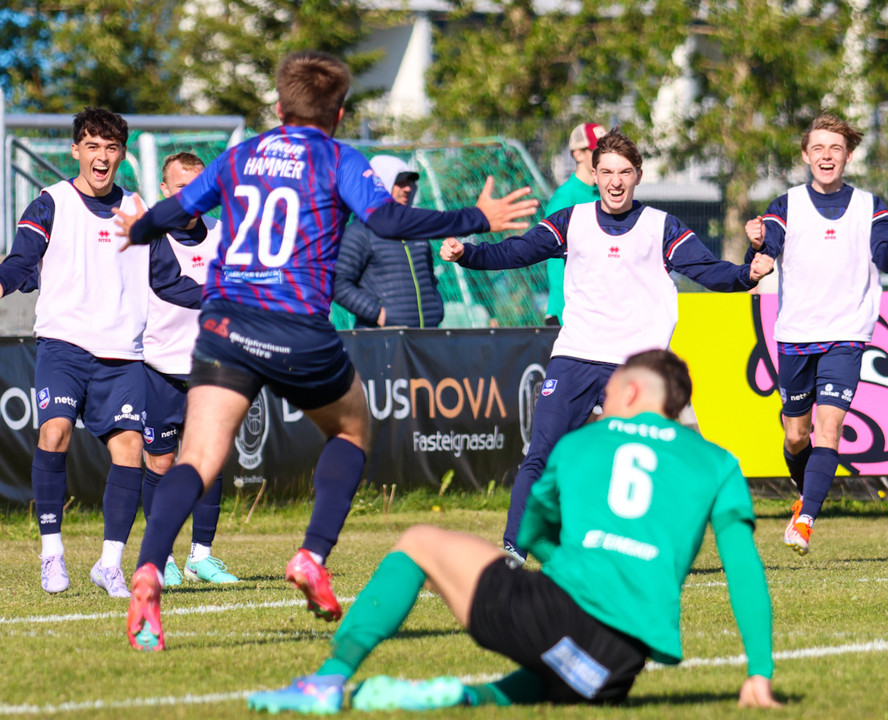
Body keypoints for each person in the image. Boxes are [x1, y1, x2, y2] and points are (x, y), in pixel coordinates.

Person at [114, 49, 538, 651]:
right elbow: (387, 221)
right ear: (338, 114)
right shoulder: (338, 158)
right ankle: (312, 555)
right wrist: (474, 217)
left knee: (199, 456)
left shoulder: (239, 156)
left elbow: (175, 210)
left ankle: (150, 569)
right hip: (296, 327)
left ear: (279, 107)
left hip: (227, 321)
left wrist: (135, 228)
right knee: (351, 431)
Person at [246, 349, 780, 714]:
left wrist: (563, 561)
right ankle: (464, 699)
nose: (604, 398)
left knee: (419, 542)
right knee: (554, 668)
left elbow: (531, 529)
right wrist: (758, 671)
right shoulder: (718, 462)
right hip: (616, 667)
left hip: (557, 620)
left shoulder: (581, 443)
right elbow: (743, 568)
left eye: (612, 388)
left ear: (635, 390)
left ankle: (328, 680)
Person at [442, 128, 774, 562]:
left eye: (624, 172)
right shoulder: (571, 220)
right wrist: (468, 254)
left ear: (638, 176)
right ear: (594, 175)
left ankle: (643, 549)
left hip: (637, 368)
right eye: (607, 172)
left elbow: (710, 272)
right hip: (576, 357)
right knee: (541, 454)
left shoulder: (662, 227)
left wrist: (748, 274)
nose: (615, 181)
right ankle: (514, 550)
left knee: (647, 463)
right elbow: (517, 252)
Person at [0, 108, 199, 597]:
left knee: (130, 451)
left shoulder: (138, 210)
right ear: (76, 151)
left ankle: (109, 565)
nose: (101, 157)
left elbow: (168, 280)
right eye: (92, 146)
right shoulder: (51, 202)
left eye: (111, 148)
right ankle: (52, 554)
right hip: (64, 345)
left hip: (123, 354)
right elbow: (20, 263)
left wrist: (226, 297)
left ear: (122, 155)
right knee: (55, 431)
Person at [744, 112, 888, 555]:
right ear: (805, 155)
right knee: (797, 435)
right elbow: (770, 244)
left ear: (848, 156)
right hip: (796, 334)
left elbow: (886, 259)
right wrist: (759, 247)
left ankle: (805, 520)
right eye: (818, 148)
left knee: (829, 427)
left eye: (835, 148)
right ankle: (806, 494)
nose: (826, 156)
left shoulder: (872, 206)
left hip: (847, 334)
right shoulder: (785, 204)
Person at [142, 152, 238, 586]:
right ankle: (160, 556)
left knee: (209, 461)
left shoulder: (223, 232)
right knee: (161, 463)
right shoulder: (151, 236)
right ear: (165, 190)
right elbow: (170, 286)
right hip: (159, 367)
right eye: (181, 187)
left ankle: (201, 557)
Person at [333, 155, 444, 328]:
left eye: (411, 182)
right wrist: (378, 314)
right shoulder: (360, 232)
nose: (407, 188)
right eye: (400, 182)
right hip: (382, 338)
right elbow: (337, 283)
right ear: (381, 183)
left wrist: (436, 308)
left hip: (426, 336)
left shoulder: (417, 230)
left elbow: (429, 278)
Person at [544, 122, 605, 325]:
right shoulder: (565, 199)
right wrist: (565, 314)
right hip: (570, 315)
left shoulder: (606, 196)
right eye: (597, 151)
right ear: (578, 154)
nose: (604, 156)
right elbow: (555, 262)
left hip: (597, 311)